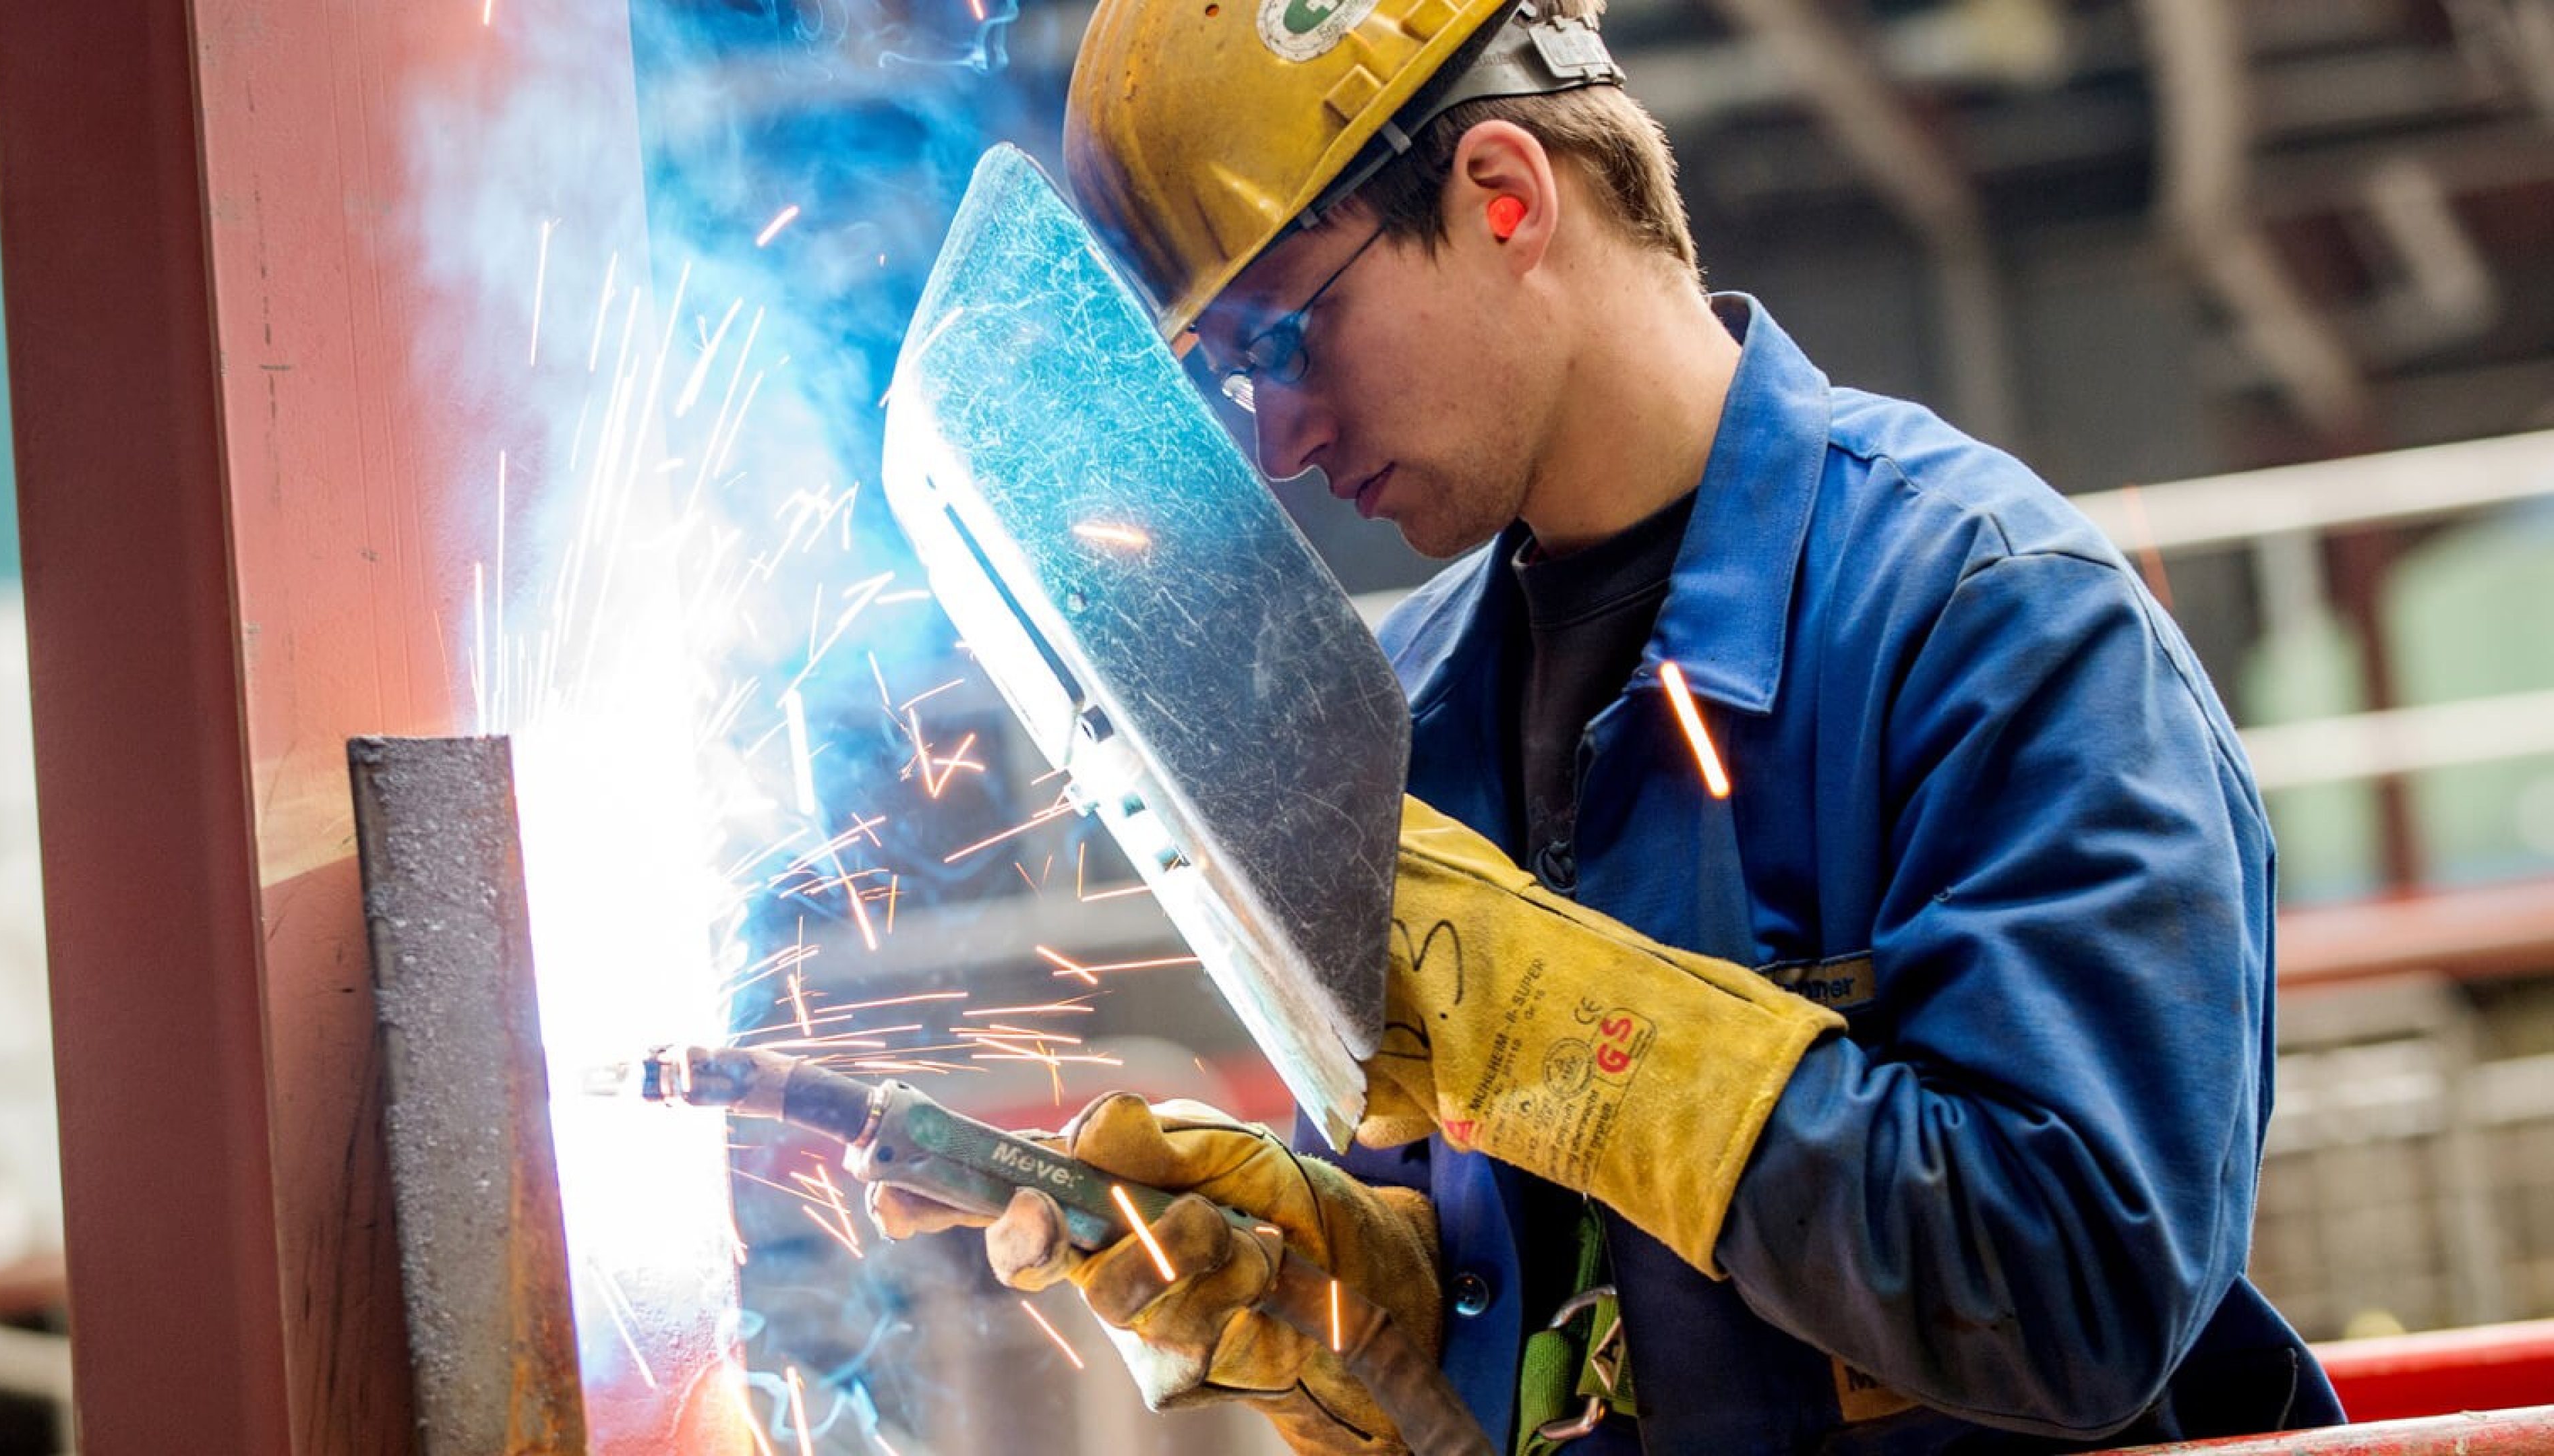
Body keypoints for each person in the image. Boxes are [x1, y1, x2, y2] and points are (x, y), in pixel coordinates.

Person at [874, 0, 2346, 1450]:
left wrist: (1576, 1037)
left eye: (1287, 339)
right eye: (1229, 380)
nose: (1281, 439)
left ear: (1504, 195)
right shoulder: (1410, 710)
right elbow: (1536, 1326)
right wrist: (1357, 1291)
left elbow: (2084, 1297)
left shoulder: (1987, 625)